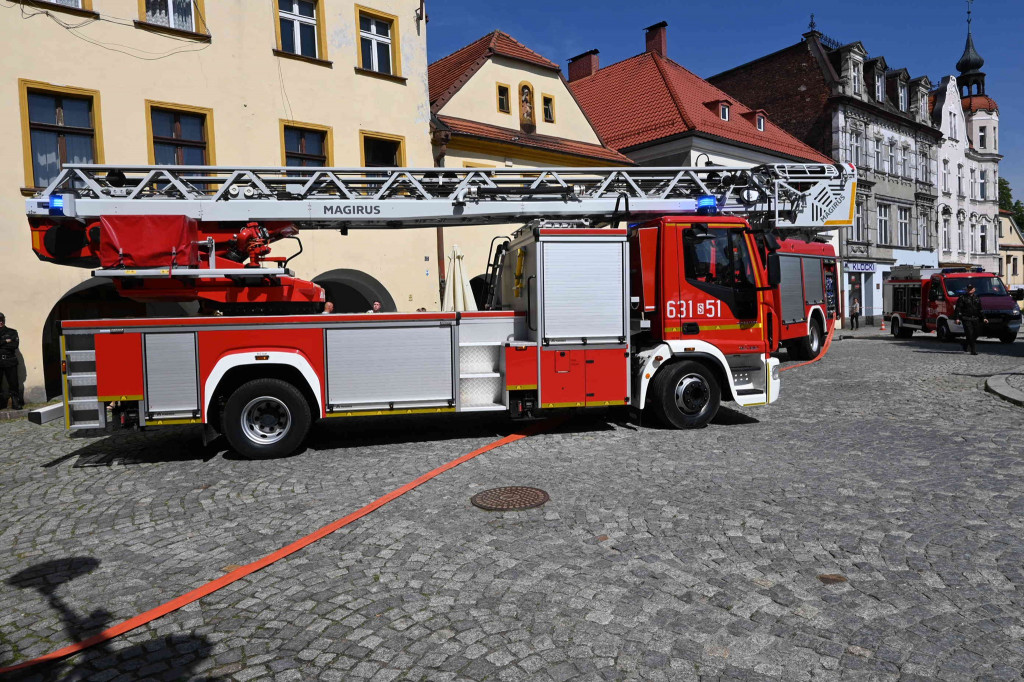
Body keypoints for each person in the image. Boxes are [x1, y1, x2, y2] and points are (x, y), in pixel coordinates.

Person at [953, 283, 988, 355]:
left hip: (975, 318)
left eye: (971, 288)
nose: (969, 290)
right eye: (968, 289)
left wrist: (984, 318)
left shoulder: (977, 298)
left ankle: (966, 343)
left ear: (974, 289)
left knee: (977, 333)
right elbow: (958, 309)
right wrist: (957, 318)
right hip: (966, 318)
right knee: (970, 334)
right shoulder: (962, 298)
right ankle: (973, 350)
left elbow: (980, 309)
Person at [0, 312, 23, 410]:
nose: (0, 322)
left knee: (13, 383)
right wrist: (5, 341)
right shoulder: (8, 336)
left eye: (2, 320)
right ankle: (1, 403)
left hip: (10, 361)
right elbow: (9, 344)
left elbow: (14, 345)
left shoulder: (12, 332)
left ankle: (15, 401)